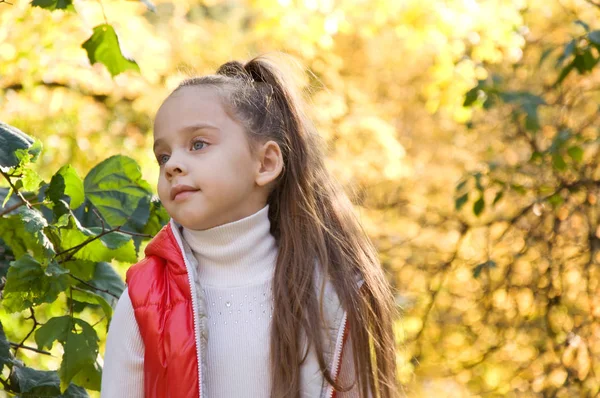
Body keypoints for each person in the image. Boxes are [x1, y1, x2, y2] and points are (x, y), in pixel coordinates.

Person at [100, 55, 398, 398]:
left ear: (266, 163)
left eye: (198, 144)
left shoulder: (328, 294)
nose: (173, 165)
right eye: (163, 156)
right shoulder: (146, 297)